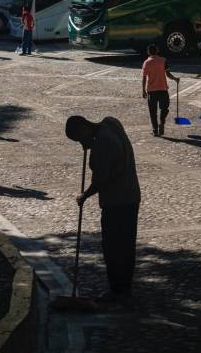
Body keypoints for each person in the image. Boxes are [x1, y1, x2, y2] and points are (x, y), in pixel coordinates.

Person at [66, 115, 141, 301]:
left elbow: (101, 179)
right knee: (126, 245)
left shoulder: (102, 144)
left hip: (116, 201)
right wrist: (91, 145)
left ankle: (117, 289)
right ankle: (126, 288)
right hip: (131, 195)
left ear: (84, 129)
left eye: (79, 139)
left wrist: (84, 196)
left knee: (113, 247)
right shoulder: (111, 122)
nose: (82, 143)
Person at [141, 44, 180, 136]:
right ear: (157, 50)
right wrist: (175, 79)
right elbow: (168, 74)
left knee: (152, 111)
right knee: (164, 108)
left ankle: (155, 130)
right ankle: (162, 122)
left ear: (148, 52)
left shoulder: (146, 62)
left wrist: (143, 90)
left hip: (151, 90)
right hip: (162, 89)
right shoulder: (163, 60)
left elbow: (144, 78)